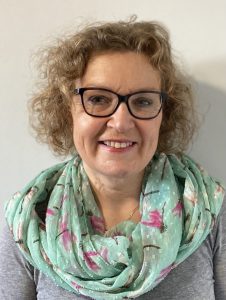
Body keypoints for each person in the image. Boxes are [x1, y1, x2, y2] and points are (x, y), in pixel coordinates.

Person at [0, 18, 225, 300]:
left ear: (163, 114)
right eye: (97, 99)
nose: (120, 122)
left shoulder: (209, 210)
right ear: (67, 108)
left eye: (143, 101)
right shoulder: (30, 219)